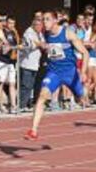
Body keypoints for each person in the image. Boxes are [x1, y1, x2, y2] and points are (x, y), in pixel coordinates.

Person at [24, 11, 89, 140]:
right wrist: (39, 44)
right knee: (42, 96)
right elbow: (40, 42)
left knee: (82, 99)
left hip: (70, 73)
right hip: (54, 72)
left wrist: (83, 72)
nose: (44, 22)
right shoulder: (45, 33)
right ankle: (33, 130)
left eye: (47, 19)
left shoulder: (68, 33)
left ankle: (82, 94)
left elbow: (85, 53)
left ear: (55, 21)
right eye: (43, 20)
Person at [0, 16, 19, 114]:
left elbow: (15, 45)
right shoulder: (1, 32)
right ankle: (1, 105)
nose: (11, 25)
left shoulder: (14, 33)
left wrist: (15, 48)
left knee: (12, 83)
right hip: (1, 60)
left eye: (13, 23)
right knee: (0, 82)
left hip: (11, 62)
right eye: (9, 23)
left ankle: (13, 105)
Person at [20, 19, 44, 112]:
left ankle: (27, 104)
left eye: (40, 25)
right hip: (27, 63)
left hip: (35, 63)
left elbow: (43, 43)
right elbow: (33, 44)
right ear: (33, 25)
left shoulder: (39, 34)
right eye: (37, 25)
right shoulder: (28, 32)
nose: (39, 27)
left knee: (31, 85)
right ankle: (22, 105)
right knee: (25, 85)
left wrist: (40, 44)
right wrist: (39, 44)